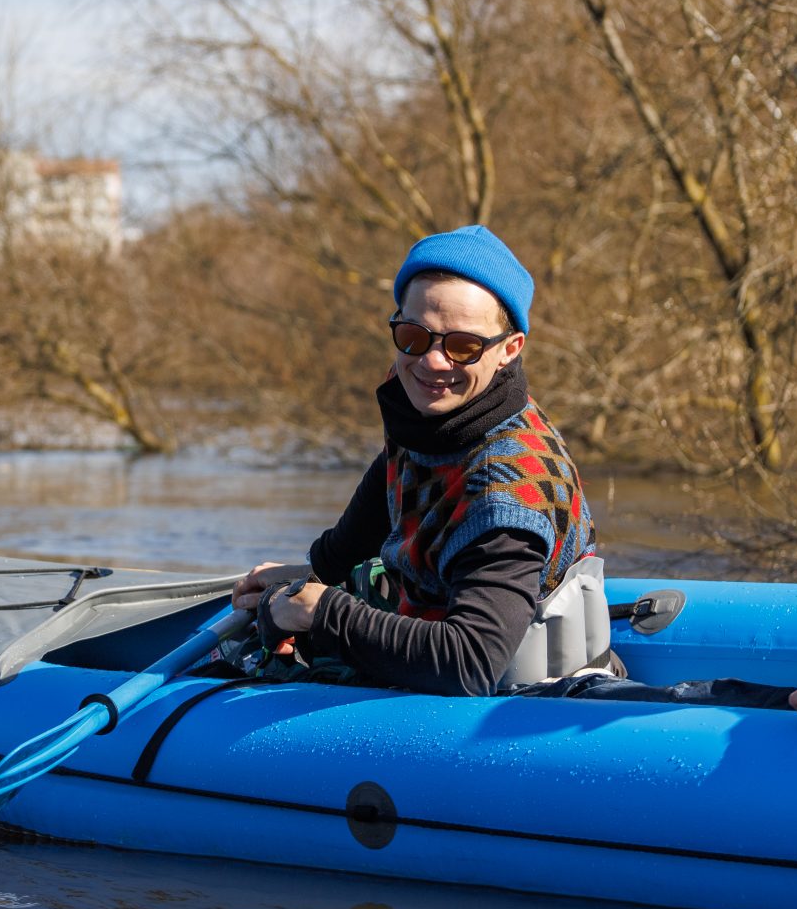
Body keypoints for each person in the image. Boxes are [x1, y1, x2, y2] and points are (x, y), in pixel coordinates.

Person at [228, 225, 611, 697]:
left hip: (509, 703)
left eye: (463, 346)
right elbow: (375, 502)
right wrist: (310, 575)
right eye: (413, 335)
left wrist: (319, 611)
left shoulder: (507, 490)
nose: (432, 362)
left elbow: (469, 664)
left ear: (509, 350)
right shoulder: (429, 407)